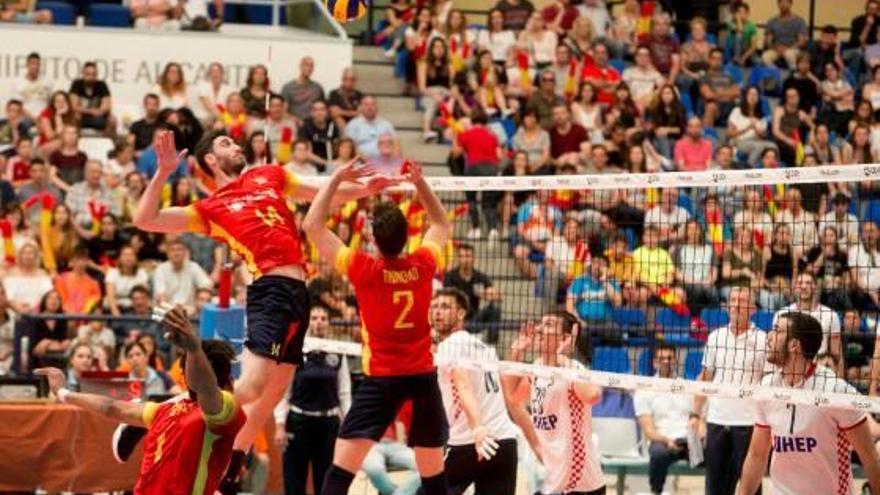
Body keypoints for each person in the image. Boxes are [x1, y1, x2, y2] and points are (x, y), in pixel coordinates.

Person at [132, 129, 393, 493]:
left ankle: (234, 460)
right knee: (252, 387)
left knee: (274, 390)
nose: (236, 145)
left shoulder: (269, 174)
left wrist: (368, 188)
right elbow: (146, 219)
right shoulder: (209, 208)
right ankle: (155, 414)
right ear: (210, 159)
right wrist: (162, 171)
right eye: (225, 143)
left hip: (298, 292)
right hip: (269, 291)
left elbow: (320, 193)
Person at [302, 160, 452, 495]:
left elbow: (312, 225)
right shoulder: (423, 264)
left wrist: (337, 178)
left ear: (372, 238)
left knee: (339, 474)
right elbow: (441, 222)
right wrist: (420, 183)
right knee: (435, 481)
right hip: (422, 378)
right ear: (407, 236)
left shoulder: (364, 268)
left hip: (382, 380)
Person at [36, 305, 245, 494]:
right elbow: (112, 407)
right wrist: (64, 393)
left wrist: (193, 349)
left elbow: (205, 389)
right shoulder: (167, 409)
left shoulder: (222, 411)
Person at [736, 312, 880, 495]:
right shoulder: (767, 387)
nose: (769, 337)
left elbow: (870, 458)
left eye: (777, 331)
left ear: (794, 345)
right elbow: (757, 455)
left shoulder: (835, 391)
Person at [431, 288, 522, 494]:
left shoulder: (450, 346)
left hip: (472, 442)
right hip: (505, 442)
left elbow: (463, 386)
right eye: (434, 307)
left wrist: (477, 429)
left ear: (461, 313)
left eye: (445, 307)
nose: (437, 312)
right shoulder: (485, 347)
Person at [504, 311, 605, 495]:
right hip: (554, 480)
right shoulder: (537, 367)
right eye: (541, 323)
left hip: (580, 483)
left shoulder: (573, 368)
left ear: (565, 337)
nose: (540, 329)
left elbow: (593, 396)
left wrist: (562, 358)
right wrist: (517, 353)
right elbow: (512, 396)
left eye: (549, 324)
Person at [691, 286, 767, 495]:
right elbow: (705, 377)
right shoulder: (716, 337)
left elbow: (768, 383)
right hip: (717, 419)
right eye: (732, 300)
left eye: (742, 301)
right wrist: (695, 414)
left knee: (750, 486)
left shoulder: (762, 339)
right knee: (715, 487)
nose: (736, 305)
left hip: (749, 422)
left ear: (752, 308)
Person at [274, 305, 351, 495]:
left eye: (323, 318)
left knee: (325, 483)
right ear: (309, 323)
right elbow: (284, 392)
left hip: (328, 424)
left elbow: (344, 393)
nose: (319, 322)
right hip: (299, 422)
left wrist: (348, 428)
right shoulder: (296, 351)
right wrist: (279, 425)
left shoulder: (338, 352)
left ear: (328, 324)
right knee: (294, 481)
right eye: (315, 318)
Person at [634, 344, 691, 495]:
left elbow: (697, 419)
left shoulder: (688, 387)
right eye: (661, 358)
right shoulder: (644, 389)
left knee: (715, 452)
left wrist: (697, 437)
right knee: (658, 455)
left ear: (676, 361)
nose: (666, 361)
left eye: (670, 358)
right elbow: (648, 429)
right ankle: (656, 491)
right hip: (661, 440)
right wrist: (667, 441)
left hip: (687, 441)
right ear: (654, 362)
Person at [774, 272, 843, 375]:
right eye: (800, 283)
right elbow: (777, 350)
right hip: (789, 370)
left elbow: (837, 354)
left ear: (815, 287)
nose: (803, 286)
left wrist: (840, 382)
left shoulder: (830, 315)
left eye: (808, 283)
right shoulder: (782, 314)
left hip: (819, 370)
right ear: (794, 287)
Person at [451, 109, 502, 241]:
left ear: (472, 122)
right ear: (486, 122)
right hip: (491, 170)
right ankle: (492, 230)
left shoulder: (466, 134)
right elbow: (499, 156)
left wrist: (455, 137)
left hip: (473, 169)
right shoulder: (493, 136)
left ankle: (476, 229)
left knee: (471, 200)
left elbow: (455, 153)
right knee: (488, 204)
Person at [442, 243, 501, 329]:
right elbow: (445, 298)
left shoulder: (480, 277)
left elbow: (498, 296)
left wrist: (486, 293)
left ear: (474, 258)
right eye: (462, 256)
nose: (465, 259)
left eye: (468, 256)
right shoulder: (450, 277)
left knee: (494, 309)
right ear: (458, 258)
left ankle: (492, 342)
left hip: (474, 319)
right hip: (455, 318)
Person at [152, 240, 213, 313]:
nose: (176, 253)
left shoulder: (193, 267)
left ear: (185, 253)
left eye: (179, 250)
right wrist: (172, 310)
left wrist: (198, 300)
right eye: (173, 250)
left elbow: (207, 286)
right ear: (168, 254)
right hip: (168, 311)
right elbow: (161, 297)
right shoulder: (161, 269)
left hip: (190, 311)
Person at [69, 61, 114, 137]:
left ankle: (108, 146)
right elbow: (73, 106)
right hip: (81, 117)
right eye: (88, 74)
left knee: (112, 120)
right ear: (83, 74)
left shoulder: (102, 85)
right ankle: (76, 143)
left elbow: (106, 106)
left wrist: (100, 111)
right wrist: (91, 111)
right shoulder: (77, 84)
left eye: (93, 74)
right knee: (75, 117)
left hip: (98, 118)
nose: (91, 77)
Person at [345, 96, 397, 160]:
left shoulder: (386, 124)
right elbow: (352, 147)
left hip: (384, 162)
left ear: (377, 107)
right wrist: (367, 161)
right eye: (366, 104)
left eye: (372, 104)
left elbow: (396, 144)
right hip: (360, 162)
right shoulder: (353, 124)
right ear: (361, 107)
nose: (369, 107)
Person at [761, 0, 808, 69]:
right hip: (776, 49)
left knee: (789, 54)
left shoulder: (799, 20)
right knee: (765, 57)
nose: (783, 5)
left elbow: (802, 41)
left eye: (786, 2)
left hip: (793, 49)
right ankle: (777, 74)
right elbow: (768, 41)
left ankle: (793, 75)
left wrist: (787, 48)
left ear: (791, 4)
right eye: (781, 2)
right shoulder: (772, 21)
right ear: (778, 4)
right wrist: (775, 48)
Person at [298, 100, 341, 173]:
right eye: (316, 110)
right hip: (312, 165)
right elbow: (306, 153)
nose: (319, 113)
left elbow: (338, 148)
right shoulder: (305, 128)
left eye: (322, 109)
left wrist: (336, 163)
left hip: (332, 163)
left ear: (327, 112)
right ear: (311, 113)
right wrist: (326, 163)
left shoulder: (332, 126)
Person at [9, 52, 52, 123]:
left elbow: (50, 102)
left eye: (38, 64)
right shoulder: (17, 82)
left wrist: (43, 118)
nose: (35, 67)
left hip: (44, 121)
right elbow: (16, 105)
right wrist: (33, 118)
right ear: (27, 64)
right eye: (33, 63)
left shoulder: (47, 81)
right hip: (24, 121)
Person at [282, 56, 326, 122]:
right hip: (294, 122)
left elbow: (323, 109)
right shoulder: (288, 87)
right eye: (306, 65)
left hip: (313, 123)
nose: (309, 68)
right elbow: (283, 112)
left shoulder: (317, 87)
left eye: (311, 66)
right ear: (300, 66)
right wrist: (297, 121)